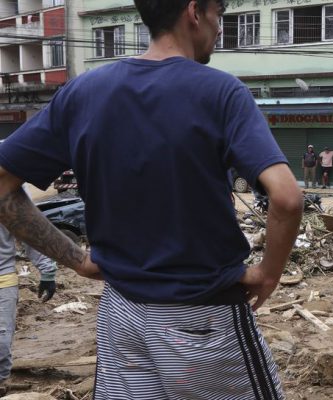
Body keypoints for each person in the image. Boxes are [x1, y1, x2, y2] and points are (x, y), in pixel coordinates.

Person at [0, 0, 305, 397]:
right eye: (219, 16)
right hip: (203, 321)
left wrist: (77, 260)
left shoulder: (84, 92)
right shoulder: (221, 91)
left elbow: (3, 184)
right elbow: (287, 198)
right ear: (194, 12)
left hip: (120, 318)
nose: (220, 29)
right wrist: (268, 273)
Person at [0, 222, 57, 388]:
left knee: (1, 343)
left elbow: (29, 233)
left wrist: (47, 272)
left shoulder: (7, 197)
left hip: (3, 280)